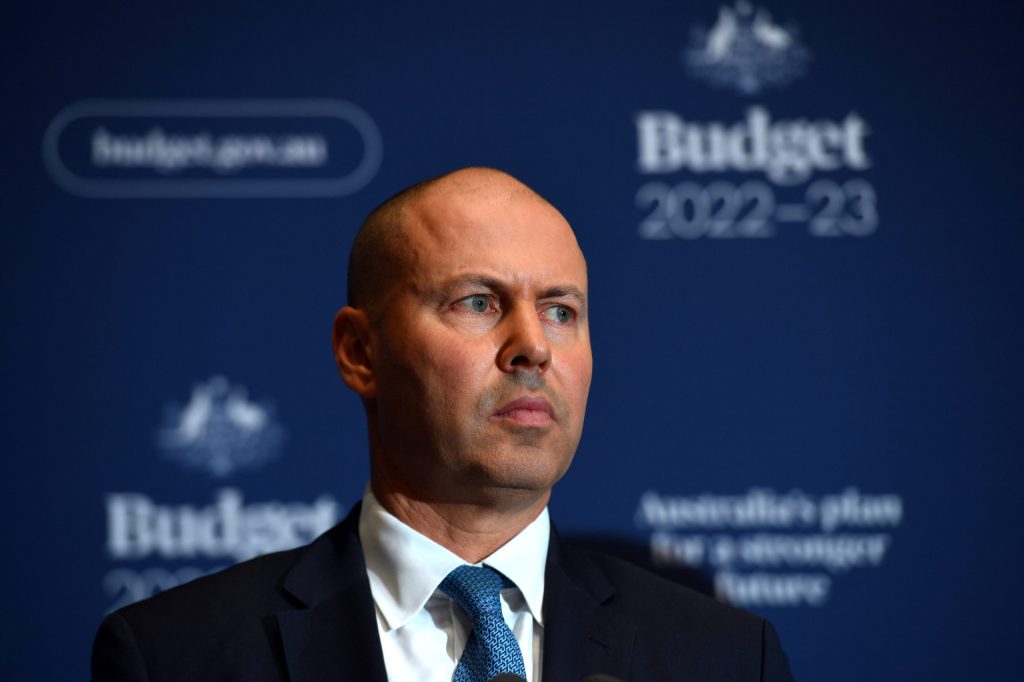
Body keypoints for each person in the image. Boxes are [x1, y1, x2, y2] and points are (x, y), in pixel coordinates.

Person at [91, 167, 794, 681]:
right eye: (478, 303)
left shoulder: (725, 658)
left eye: (560, 310)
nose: (534, 346)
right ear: (360, 352)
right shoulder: (176, 656)